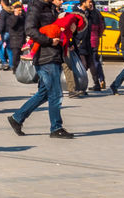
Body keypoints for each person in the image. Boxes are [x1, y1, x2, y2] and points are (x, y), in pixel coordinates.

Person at [12, 0, 73, 136]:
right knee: (56, 94)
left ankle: (17, 118)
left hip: (54, 54)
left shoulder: (51, 8)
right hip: (45, 57)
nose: (62, 1)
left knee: (44, 93)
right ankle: (56, 128)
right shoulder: (35, 7)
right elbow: (30, 30)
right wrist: (49, 41)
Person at [82, 0, 104, 88]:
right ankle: (100, 80)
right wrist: (98, 35)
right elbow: (102, 27)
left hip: (88, 41)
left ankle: (94, 82)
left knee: (90, 63)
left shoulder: (89, 14)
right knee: (95, 62)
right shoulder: (98, 14)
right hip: (95, 40)